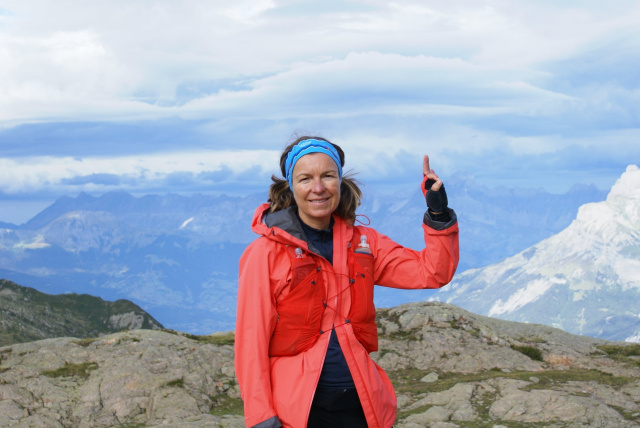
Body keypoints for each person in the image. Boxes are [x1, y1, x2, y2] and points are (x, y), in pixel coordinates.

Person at [235, 136, 459, 428]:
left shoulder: (364, 243)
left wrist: (438, 212)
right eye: (305, 178)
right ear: (291, 185)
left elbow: (433, 272)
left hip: (361, 406)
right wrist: (260, 415)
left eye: (328, 176)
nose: (318, 188)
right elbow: (251, 339)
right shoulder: (265, 252)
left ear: (340, 181)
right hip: (298, 410)